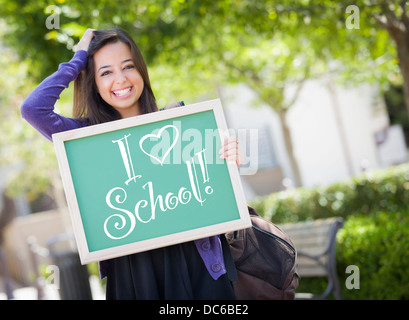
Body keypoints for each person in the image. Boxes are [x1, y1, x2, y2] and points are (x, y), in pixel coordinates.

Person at [20, 28, 243, 300]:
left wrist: (230, 162)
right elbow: (33, 108)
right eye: (106, 72)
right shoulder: (83, 138)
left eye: (128, 66)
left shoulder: (178, 122)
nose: (121, 79)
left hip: (196, 261)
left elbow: (213, 194)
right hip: (133, 272)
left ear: (141, 72)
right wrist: (78, 59)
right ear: (92, 81)